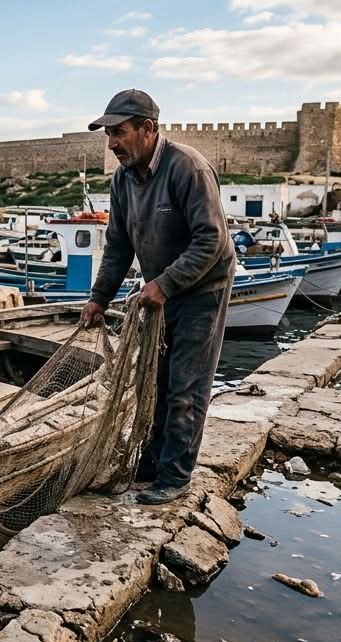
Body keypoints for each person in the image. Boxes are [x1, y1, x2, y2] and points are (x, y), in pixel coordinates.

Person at [79, 89, 236, 505]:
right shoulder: (123, 180)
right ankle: (150, 464)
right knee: (156, 383)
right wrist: (99, 298)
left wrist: (164, 284)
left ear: (148, 129)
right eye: (107, 134)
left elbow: (212, 241)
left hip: (203, 290)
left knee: (186, 386)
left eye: (118, 132)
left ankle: (175, 476)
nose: (111, 143)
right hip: (161, 293)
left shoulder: (187, 168)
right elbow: (117, 246)